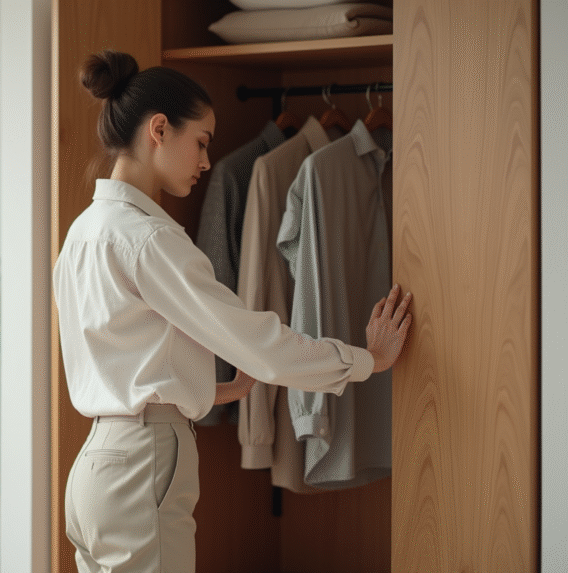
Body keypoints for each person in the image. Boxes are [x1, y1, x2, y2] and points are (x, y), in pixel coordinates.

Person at [52, 49, 412, 573]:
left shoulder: (82, 233)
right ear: (158, 129)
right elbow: (259, 342)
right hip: (142, 465)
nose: (205, 162)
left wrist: (212, 389)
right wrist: (367, 359)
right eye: (200, 142)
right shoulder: (149, 240)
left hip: (94, 471)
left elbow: (118, 359)